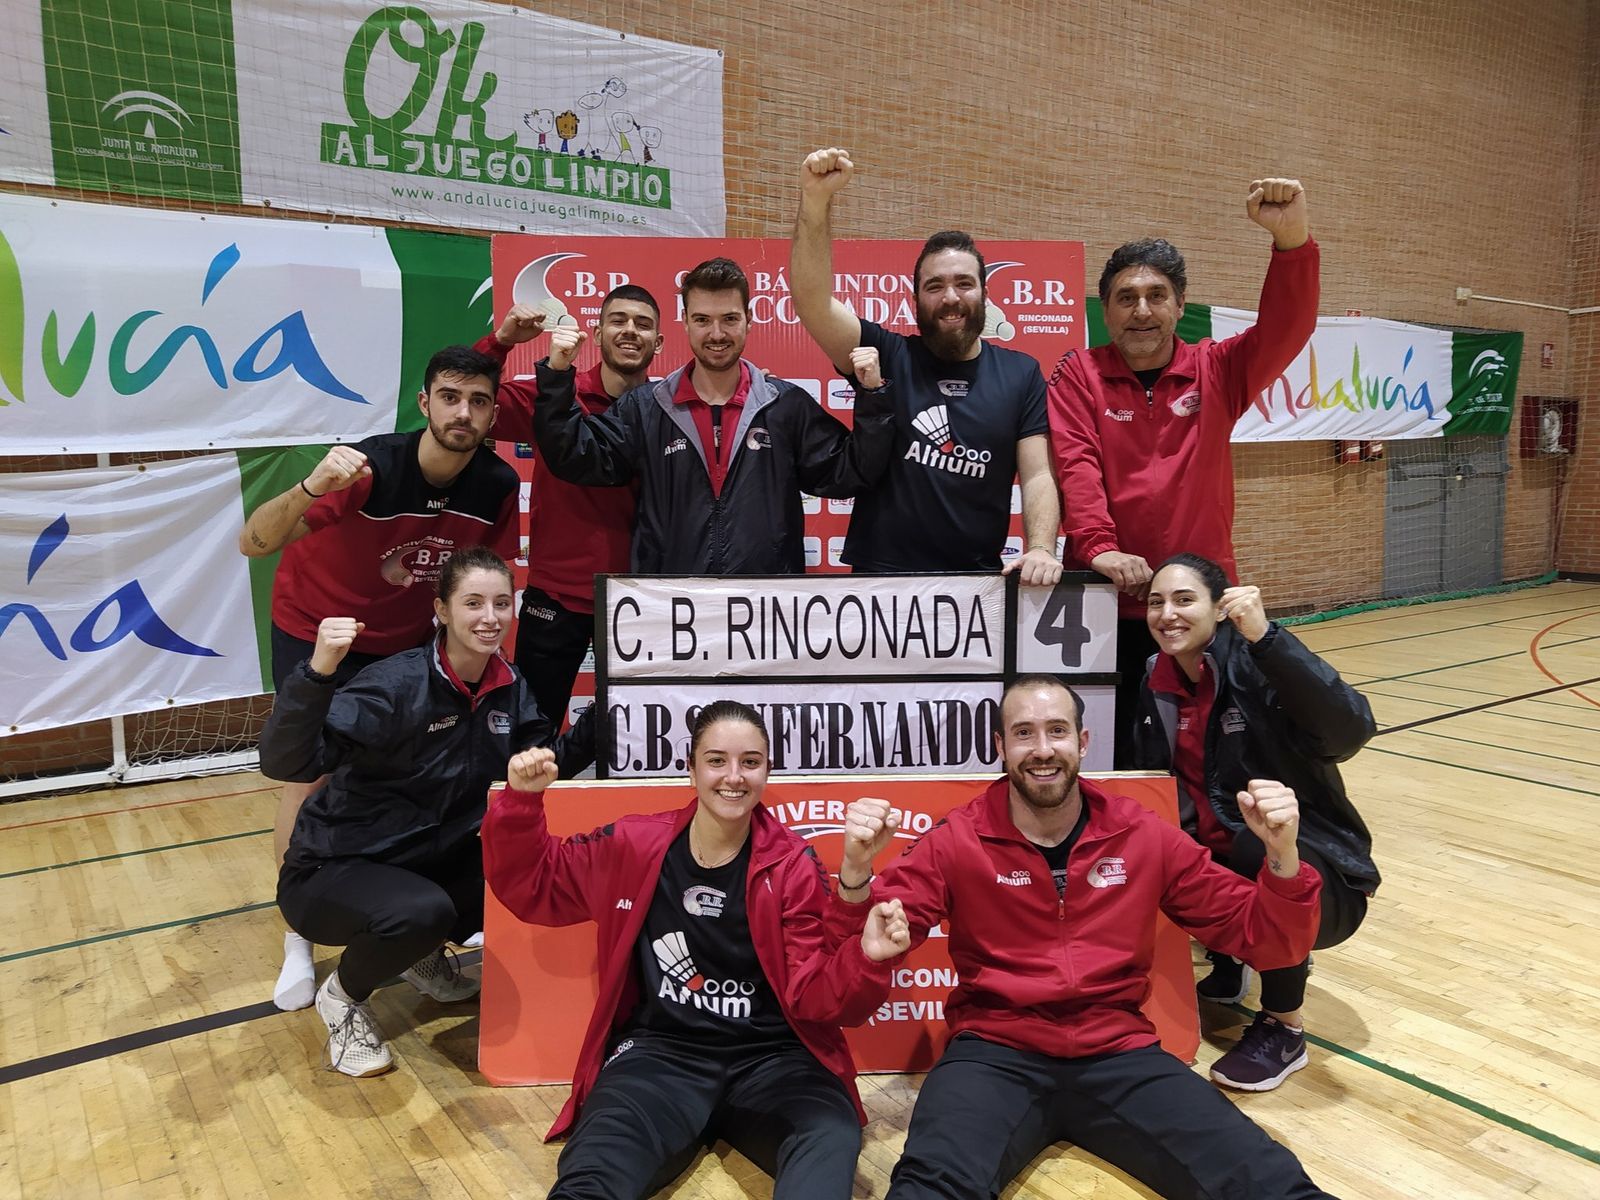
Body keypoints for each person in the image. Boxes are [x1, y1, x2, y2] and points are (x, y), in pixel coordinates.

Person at [831, 675, 1335, 1199]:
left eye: (1057, 731)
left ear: (1083, 742)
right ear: (1001, 748)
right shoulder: (956, 839)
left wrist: (1282, 857)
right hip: (993, 1052)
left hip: (1119, 1050)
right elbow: (860, 951)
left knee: (1271, 1179)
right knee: (927, 1188)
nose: (1043, 749)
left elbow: (1271, 944)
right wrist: (855, 882)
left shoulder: (1142, 834)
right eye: (1024, 733)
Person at [482, 701, 910, 1199]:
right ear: (690, 768)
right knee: (592, 1167)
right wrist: (521, 802)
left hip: (775, 1061)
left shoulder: (792, 864)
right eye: (717, 760)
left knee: (828, 1139)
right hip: (660, 1057)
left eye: (750, 762)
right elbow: (535, 883)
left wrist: (867, 957)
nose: (734, 776)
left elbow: (819, 999)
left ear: (768, 771)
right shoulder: (635, 844)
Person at [240, 345, 520, 1011]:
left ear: (491, 414)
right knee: (309, 778)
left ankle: (410, 941)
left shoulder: (497, 485)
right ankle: (298, 939)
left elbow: (482, 582)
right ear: (424, 404)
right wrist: (312, 486)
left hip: (408, 641)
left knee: (408, 784)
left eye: (479, 401)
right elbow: (253, 541)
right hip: (322, 632)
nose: (464, 411)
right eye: (450, 396)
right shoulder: (368, 470)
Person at [259, 547, 593, 1077]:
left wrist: (612, 707)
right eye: (474, 603)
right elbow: (286, 761)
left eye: (502, 603)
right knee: (421, 912)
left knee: (531, 875)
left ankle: (419, 953)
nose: (490, 617)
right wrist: (319, 671)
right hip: (332, 870)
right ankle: (344, 997)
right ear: (440, 610)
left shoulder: (510, 687)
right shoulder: (394, 685)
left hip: (424, 864)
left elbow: (547, 763)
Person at [1046, 178, 1320, 767]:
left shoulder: (1219, 368)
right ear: (1105, 308)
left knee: (1210, 756)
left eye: (1156, 295)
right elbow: (1077, 464)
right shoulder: (1079, 374)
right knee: (1112, 754)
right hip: (1104, 606)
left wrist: (1290, 240)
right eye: (1125, 297)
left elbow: (1288, 327)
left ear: (1180, 304)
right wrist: (1100, 549)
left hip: (1198, 610)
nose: (1141, 310)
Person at [1135, 553, 1379, 1091]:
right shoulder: (1155, 680)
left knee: (1252, 843)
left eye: (1184, 599)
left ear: (1220, 610)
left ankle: (1285, 1027)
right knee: (1155, 846)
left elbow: (1350, 729)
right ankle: (1231, 963)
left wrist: (1268, 637)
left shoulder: (1253, 663)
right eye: (1156, 602)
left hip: (1318, 874)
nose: (1167, 614)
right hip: (1227, 863)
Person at [790, 147, 1062, 586]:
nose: (950, 297)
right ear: (915, 299)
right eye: (934, 286)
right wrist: (816, 202)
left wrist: (1041, 548)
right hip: (880, 582)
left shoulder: (1021, 373)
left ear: (984, 296)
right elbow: (812, 302)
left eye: (964, 284)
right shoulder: (887, 352)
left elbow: (1037, 474)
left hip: (976, 588)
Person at [528, 257, 897, 574]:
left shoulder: (785, 405)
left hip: (764, 611)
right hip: (671, 607)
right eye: (703, 320)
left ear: (749, 321)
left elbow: (850, 472)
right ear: (686, 322)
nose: (716, 333)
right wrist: (558, 374)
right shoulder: (647, 406)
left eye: (729, 319)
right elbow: (576, 456)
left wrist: (873, 395)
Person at [474, 285, 664, 726]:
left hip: (641, 598)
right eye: (618, 321)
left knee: (642, 730)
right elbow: (469, 395)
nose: (630, 331)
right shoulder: (556, 394)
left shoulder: (668, 408)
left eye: (643, 323)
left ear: (659, 341)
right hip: (556, 597)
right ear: (597, 334)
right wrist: (500, 341)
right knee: (530, 729)